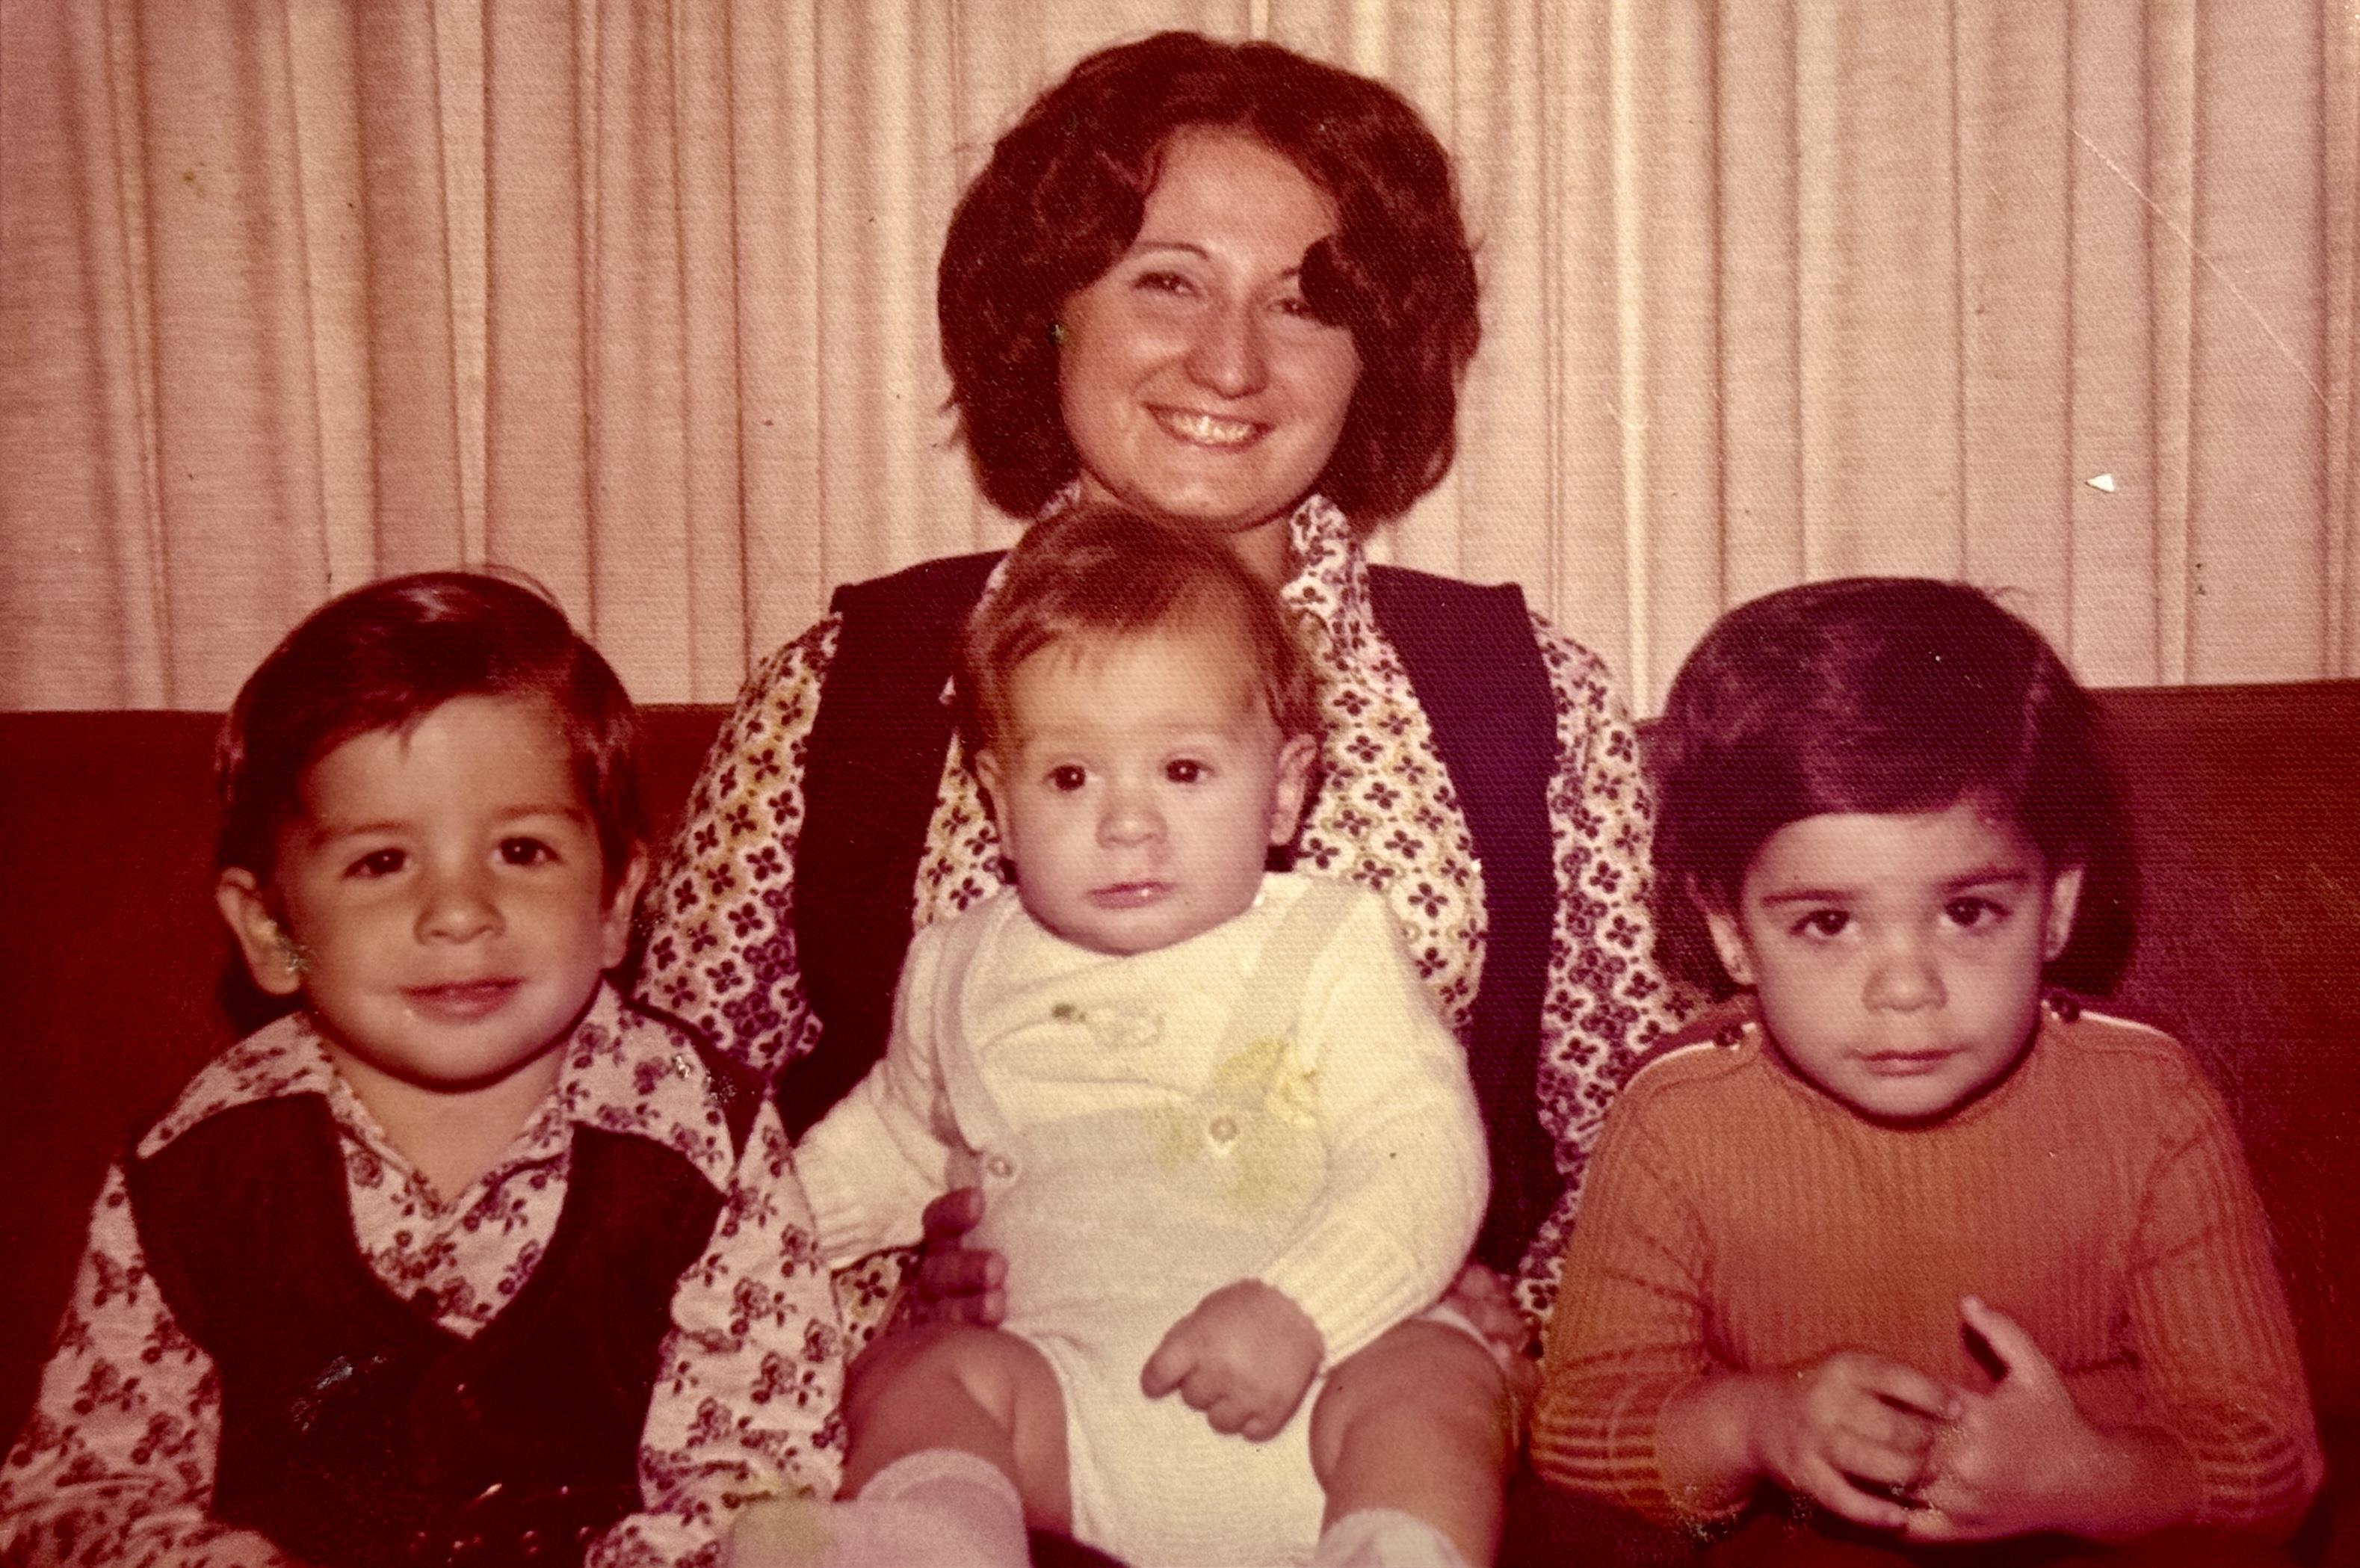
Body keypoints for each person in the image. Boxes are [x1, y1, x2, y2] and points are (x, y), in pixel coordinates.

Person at [638, 33, 1687, 1552]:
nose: (1233, 362)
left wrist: (1509, 1320)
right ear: (1049, 314)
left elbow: (1646, 1139)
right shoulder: (848, 689)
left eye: (1307, 302)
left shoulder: (1520, 697)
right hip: (997, 1448)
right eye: (1166, 279)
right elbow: (670, 1148)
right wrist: (869, 1304)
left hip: (1370, 1426)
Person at [0, 574, 840, 1568]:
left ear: (617, 901)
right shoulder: (198, 1165)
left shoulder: (703, 1139)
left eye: (521, 850)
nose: (457, 913)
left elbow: (766, 1477)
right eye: (382, 862)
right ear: (274, 932)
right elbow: (81, 1495)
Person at [728, 507, 1489, 1568]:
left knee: (1435, 1383)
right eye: (1071, 776)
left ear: (1285, 789)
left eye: (1182, 771)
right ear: (997, 802)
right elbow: (886, 1150)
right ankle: (932, 1536)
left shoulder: (1333, 943)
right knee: (919, 1377)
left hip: (1320, 1380)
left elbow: (1423, 1155)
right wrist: (736, 1247)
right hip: (1064, 1413)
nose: (1126, 823)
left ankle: (1395, 1549)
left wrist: (1306, 1307)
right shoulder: (957, 965)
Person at [1528, 578, 2324, 1564]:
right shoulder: (1676, 1118)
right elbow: (1571, 1433)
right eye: (1826, 922)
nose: (1905, 988)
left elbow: (2272, 1459)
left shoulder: (2147, 1103)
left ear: (2057, 903)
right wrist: (1750, 1424)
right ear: (1731, 932)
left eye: (1967, 912)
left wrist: (2097, 1478)